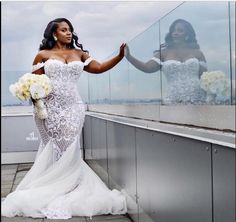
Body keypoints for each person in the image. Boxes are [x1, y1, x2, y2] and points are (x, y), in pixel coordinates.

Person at [2, 18, 127, 219]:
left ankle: (71, 185)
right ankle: (58, 185)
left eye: (70, 30)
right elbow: (34, 84)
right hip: (50, 108)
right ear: (54, 33)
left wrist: (120, 57)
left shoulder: (80, 54)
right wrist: (38, 105)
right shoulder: (42, 55)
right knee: (56, 147)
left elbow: (100, 68)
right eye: (64, 30)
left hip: (74, 107)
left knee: (70, 146)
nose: (69, 33)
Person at [125, 19, 207, 104]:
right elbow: (147, 68)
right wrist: (129, 57)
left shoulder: (197, 53)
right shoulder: (164, 53)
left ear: (187, 35)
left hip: (198, 98)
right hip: (173, 98)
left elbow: (204, 77)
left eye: (180, 31)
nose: (175, 33)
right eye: (174, 30)